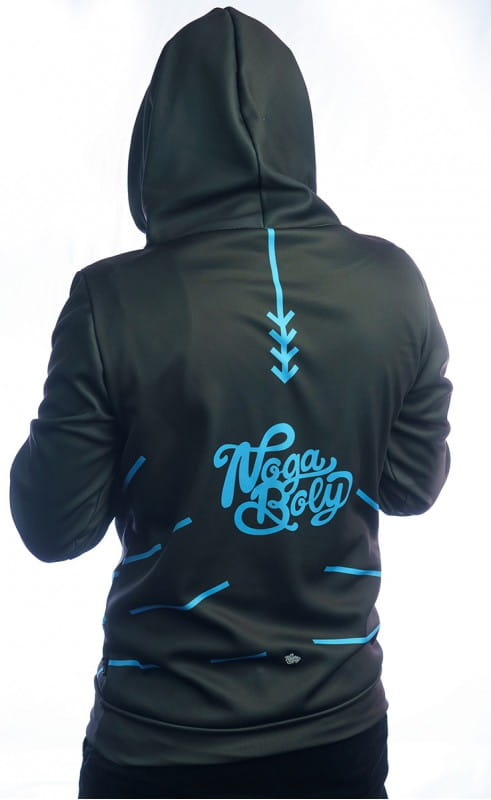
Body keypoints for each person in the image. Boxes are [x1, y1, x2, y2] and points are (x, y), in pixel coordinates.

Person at [9, 6, 452, 799]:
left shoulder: (110, 302)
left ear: (159, 140)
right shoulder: (395, 284)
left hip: (159, 745)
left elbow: (51, 526)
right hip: (339, 733)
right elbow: (412, 486)